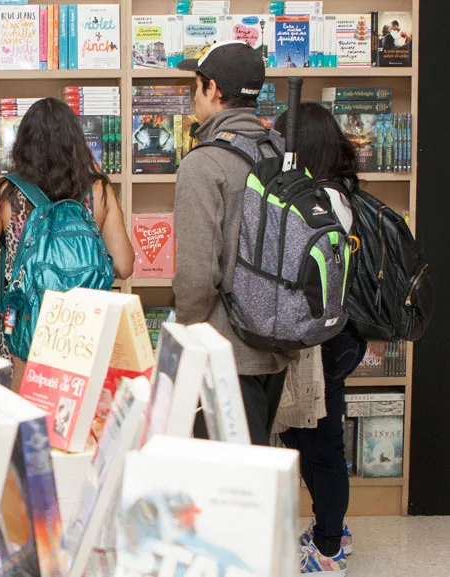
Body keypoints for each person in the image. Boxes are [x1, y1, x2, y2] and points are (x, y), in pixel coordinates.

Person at [174, 41, 294, 446]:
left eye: (196, 86)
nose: (194, 97)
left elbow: (195, 274)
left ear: (212, 90)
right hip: (277, 345)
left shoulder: (203, 163)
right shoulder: (280, 150)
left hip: (224, 353)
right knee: (252, 476)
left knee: (222, 489)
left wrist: (188, 336)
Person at [0, 97, 133, 386]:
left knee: (27, 417)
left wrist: (19, 296)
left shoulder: (3, 193)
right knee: (76, 415)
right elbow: (124, 265)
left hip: (22, 328)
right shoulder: (99, 191)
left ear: (23, 143)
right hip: (83, 330)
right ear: (76, 142)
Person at [275, 103, 366, 577]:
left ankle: (330, 546)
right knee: (303, 434)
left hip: (327, 338)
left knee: (322, 443)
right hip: (329, 334)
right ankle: (329, 527)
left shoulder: (324, 200)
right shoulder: (333, 194)